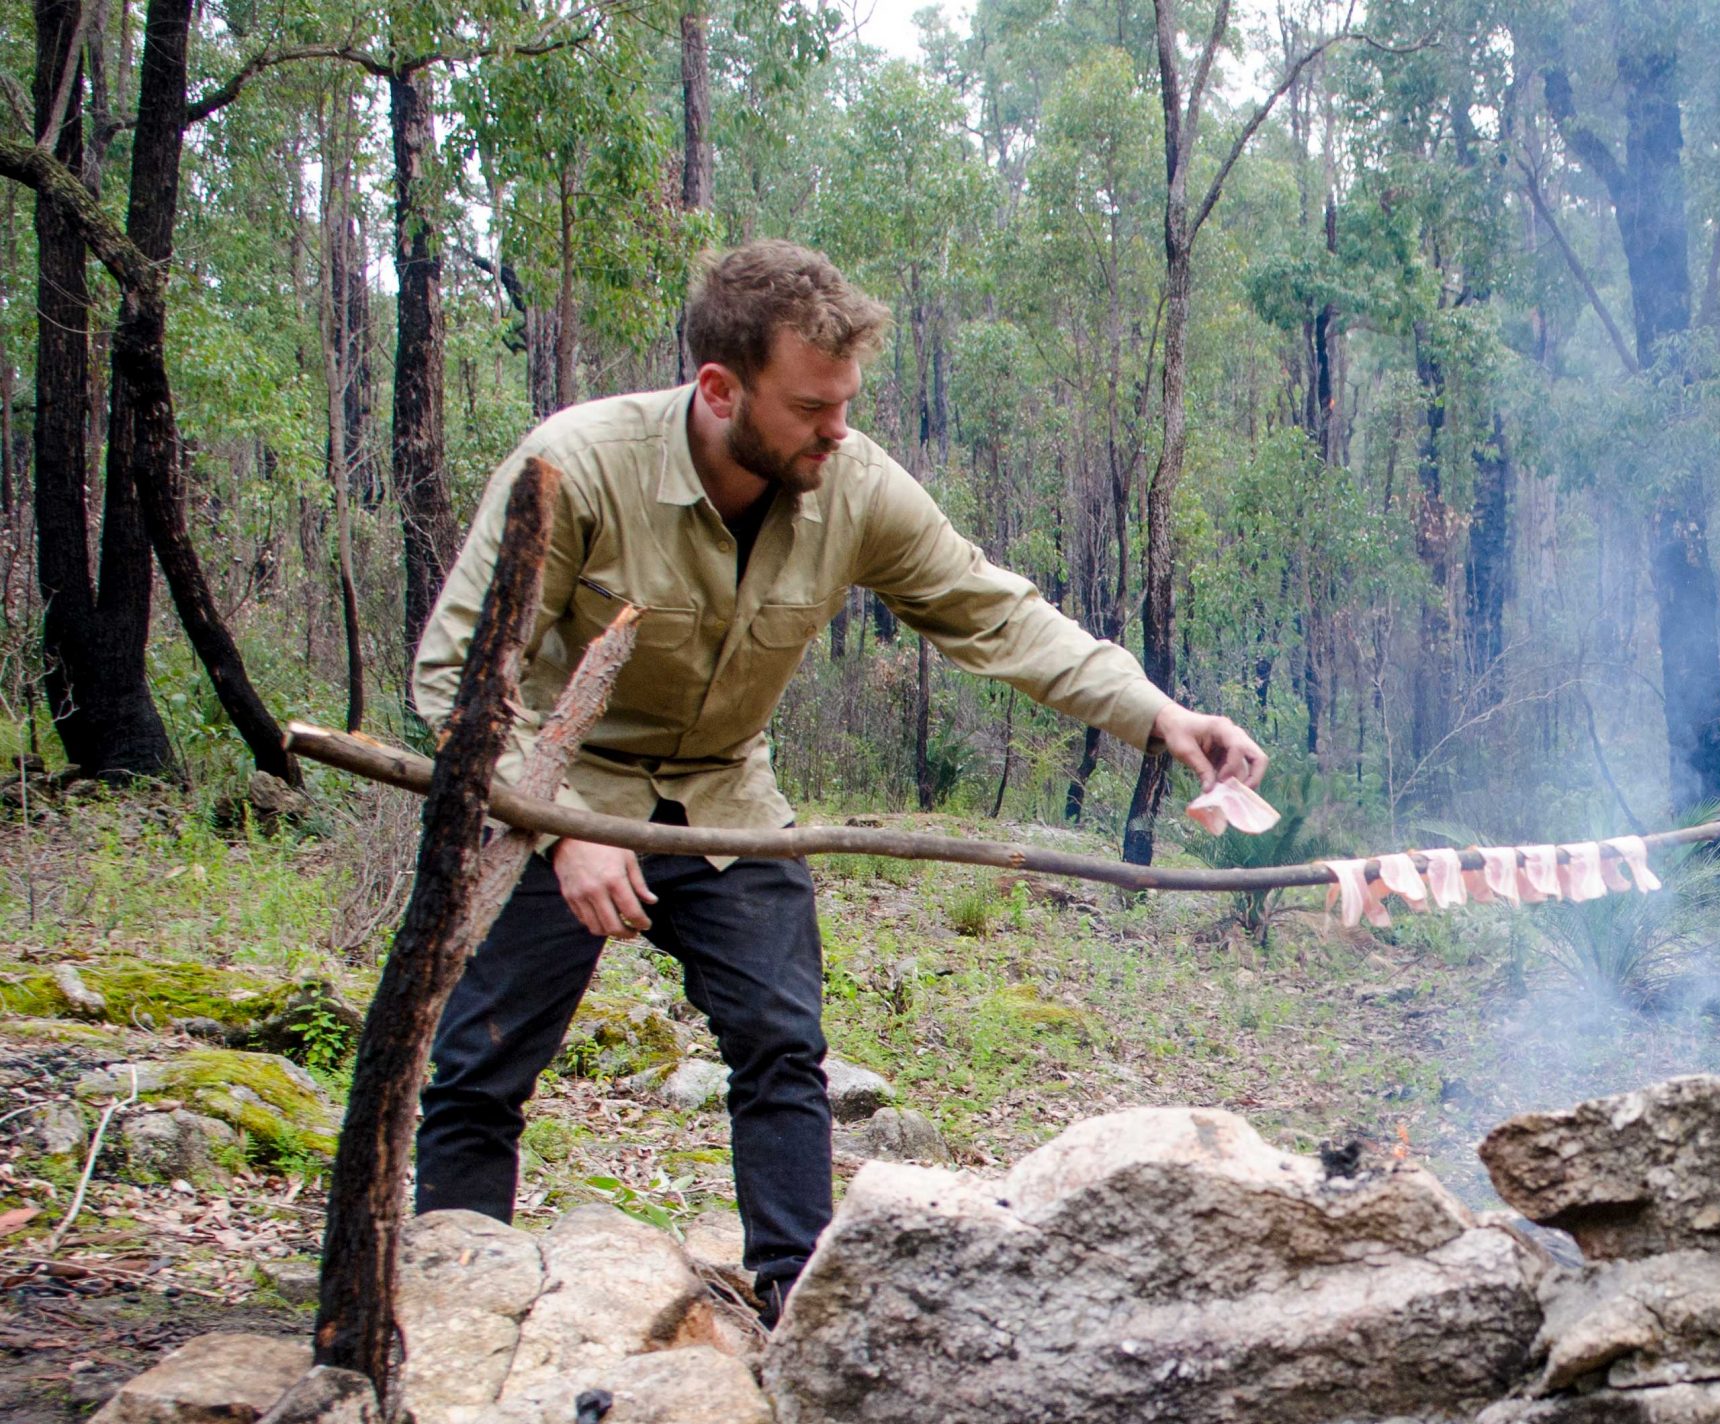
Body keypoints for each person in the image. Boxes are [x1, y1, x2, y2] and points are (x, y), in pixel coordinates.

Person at [410, 239, 1265, 1322]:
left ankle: (795, 1315)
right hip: (552, 788)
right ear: (721, 389)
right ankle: (452, 1312)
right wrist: (558, 822)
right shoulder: (578, 467)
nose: (838, 428)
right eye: (812, 406)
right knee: (480, 1068)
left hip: (724, 799)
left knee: (781, 1048)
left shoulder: (851, 482)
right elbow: (451, 675)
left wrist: (1158, 715)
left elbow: (992, 612)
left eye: (846, 402)